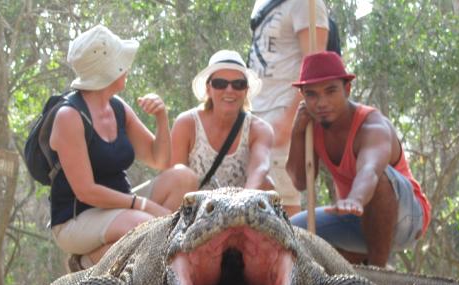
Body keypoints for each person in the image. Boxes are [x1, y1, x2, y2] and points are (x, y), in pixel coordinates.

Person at [49, 25, 197, 271]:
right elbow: (86, 191)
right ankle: (86, 262)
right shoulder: (69, 116)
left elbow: (159, 160)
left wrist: (161, 117)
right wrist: (141, 204)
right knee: (145, 226)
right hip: (77, 218)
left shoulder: (117, 107)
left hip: (121, 207)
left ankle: (155, 262)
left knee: (184, 177)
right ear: (110, 70)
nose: (127, 67)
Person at [286, 51, 431, 267]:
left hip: (406, 220)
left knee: (382, 179)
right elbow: (299, 181)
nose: (321, 102)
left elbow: (370, 170)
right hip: (358, 219)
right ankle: (355, 267)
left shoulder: (372, 126)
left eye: (330, 91)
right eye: (312, 94)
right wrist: (297, 133)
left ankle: (378, 271)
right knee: (292, 231)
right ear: (303, 97)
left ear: (347, 89)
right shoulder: (311, 127)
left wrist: (355, 198)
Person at [248, 0, 330, 216]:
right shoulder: (261, 3)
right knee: (254, 202)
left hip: (281, 111)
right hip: (255, 113)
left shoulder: (306, 3)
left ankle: (292, 250)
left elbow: (316, 67)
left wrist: (290, 120)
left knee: (282, 202)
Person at [171, 50, 274, 191]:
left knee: (268, 185)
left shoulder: (259, 130)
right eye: (220, 83)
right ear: (209, 89)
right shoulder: (186, 124)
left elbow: (260, 169)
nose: (230, 90)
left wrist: (244, 202)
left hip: (242, 207)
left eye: (238, 84)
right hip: (194, 209)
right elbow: (175, 180)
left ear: (246, 91)